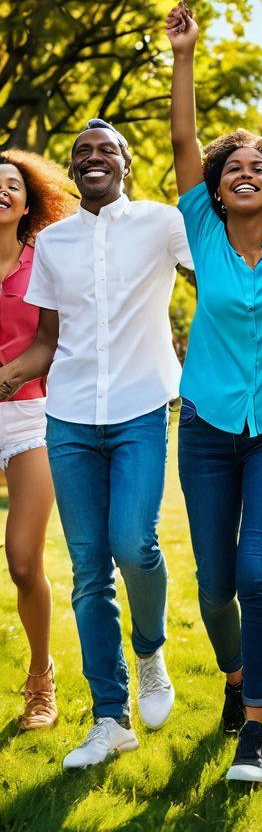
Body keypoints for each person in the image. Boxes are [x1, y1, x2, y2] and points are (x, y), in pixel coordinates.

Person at [0, 119, 191, 770]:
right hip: (71, 417)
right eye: (82, 152)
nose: (92, 158)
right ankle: (110, 718)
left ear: (126, 163)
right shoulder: (52, 244)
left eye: (104, 149)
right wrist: (9, 376)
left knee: (133, 544)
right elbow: (47, 341)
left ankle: (150, 652)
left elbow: (217, 281)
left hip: (141, 406)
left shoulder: (165, 224)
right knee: (87, 571)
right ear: (75, 170)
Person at [167, 0, 262, 787]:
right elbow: (186, 140)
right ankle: (231, 678)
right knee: (213, 581)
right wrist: (185, 54)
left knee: (257, 571)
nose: (245, 171)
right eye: (234, 169)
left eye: (260, 166)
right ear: (217, 192)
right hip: (204, 432)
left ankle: (255, 724)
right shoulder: (199, 232)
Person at [0, 151, 74, 730]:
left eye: (12, 185)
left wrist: (8, 377)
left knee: (24, 562)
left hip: (30, 418)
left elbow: (51, 339)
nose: (2, 191)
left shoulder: (43, 259)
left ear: (28, 202)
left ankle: (41, 677)